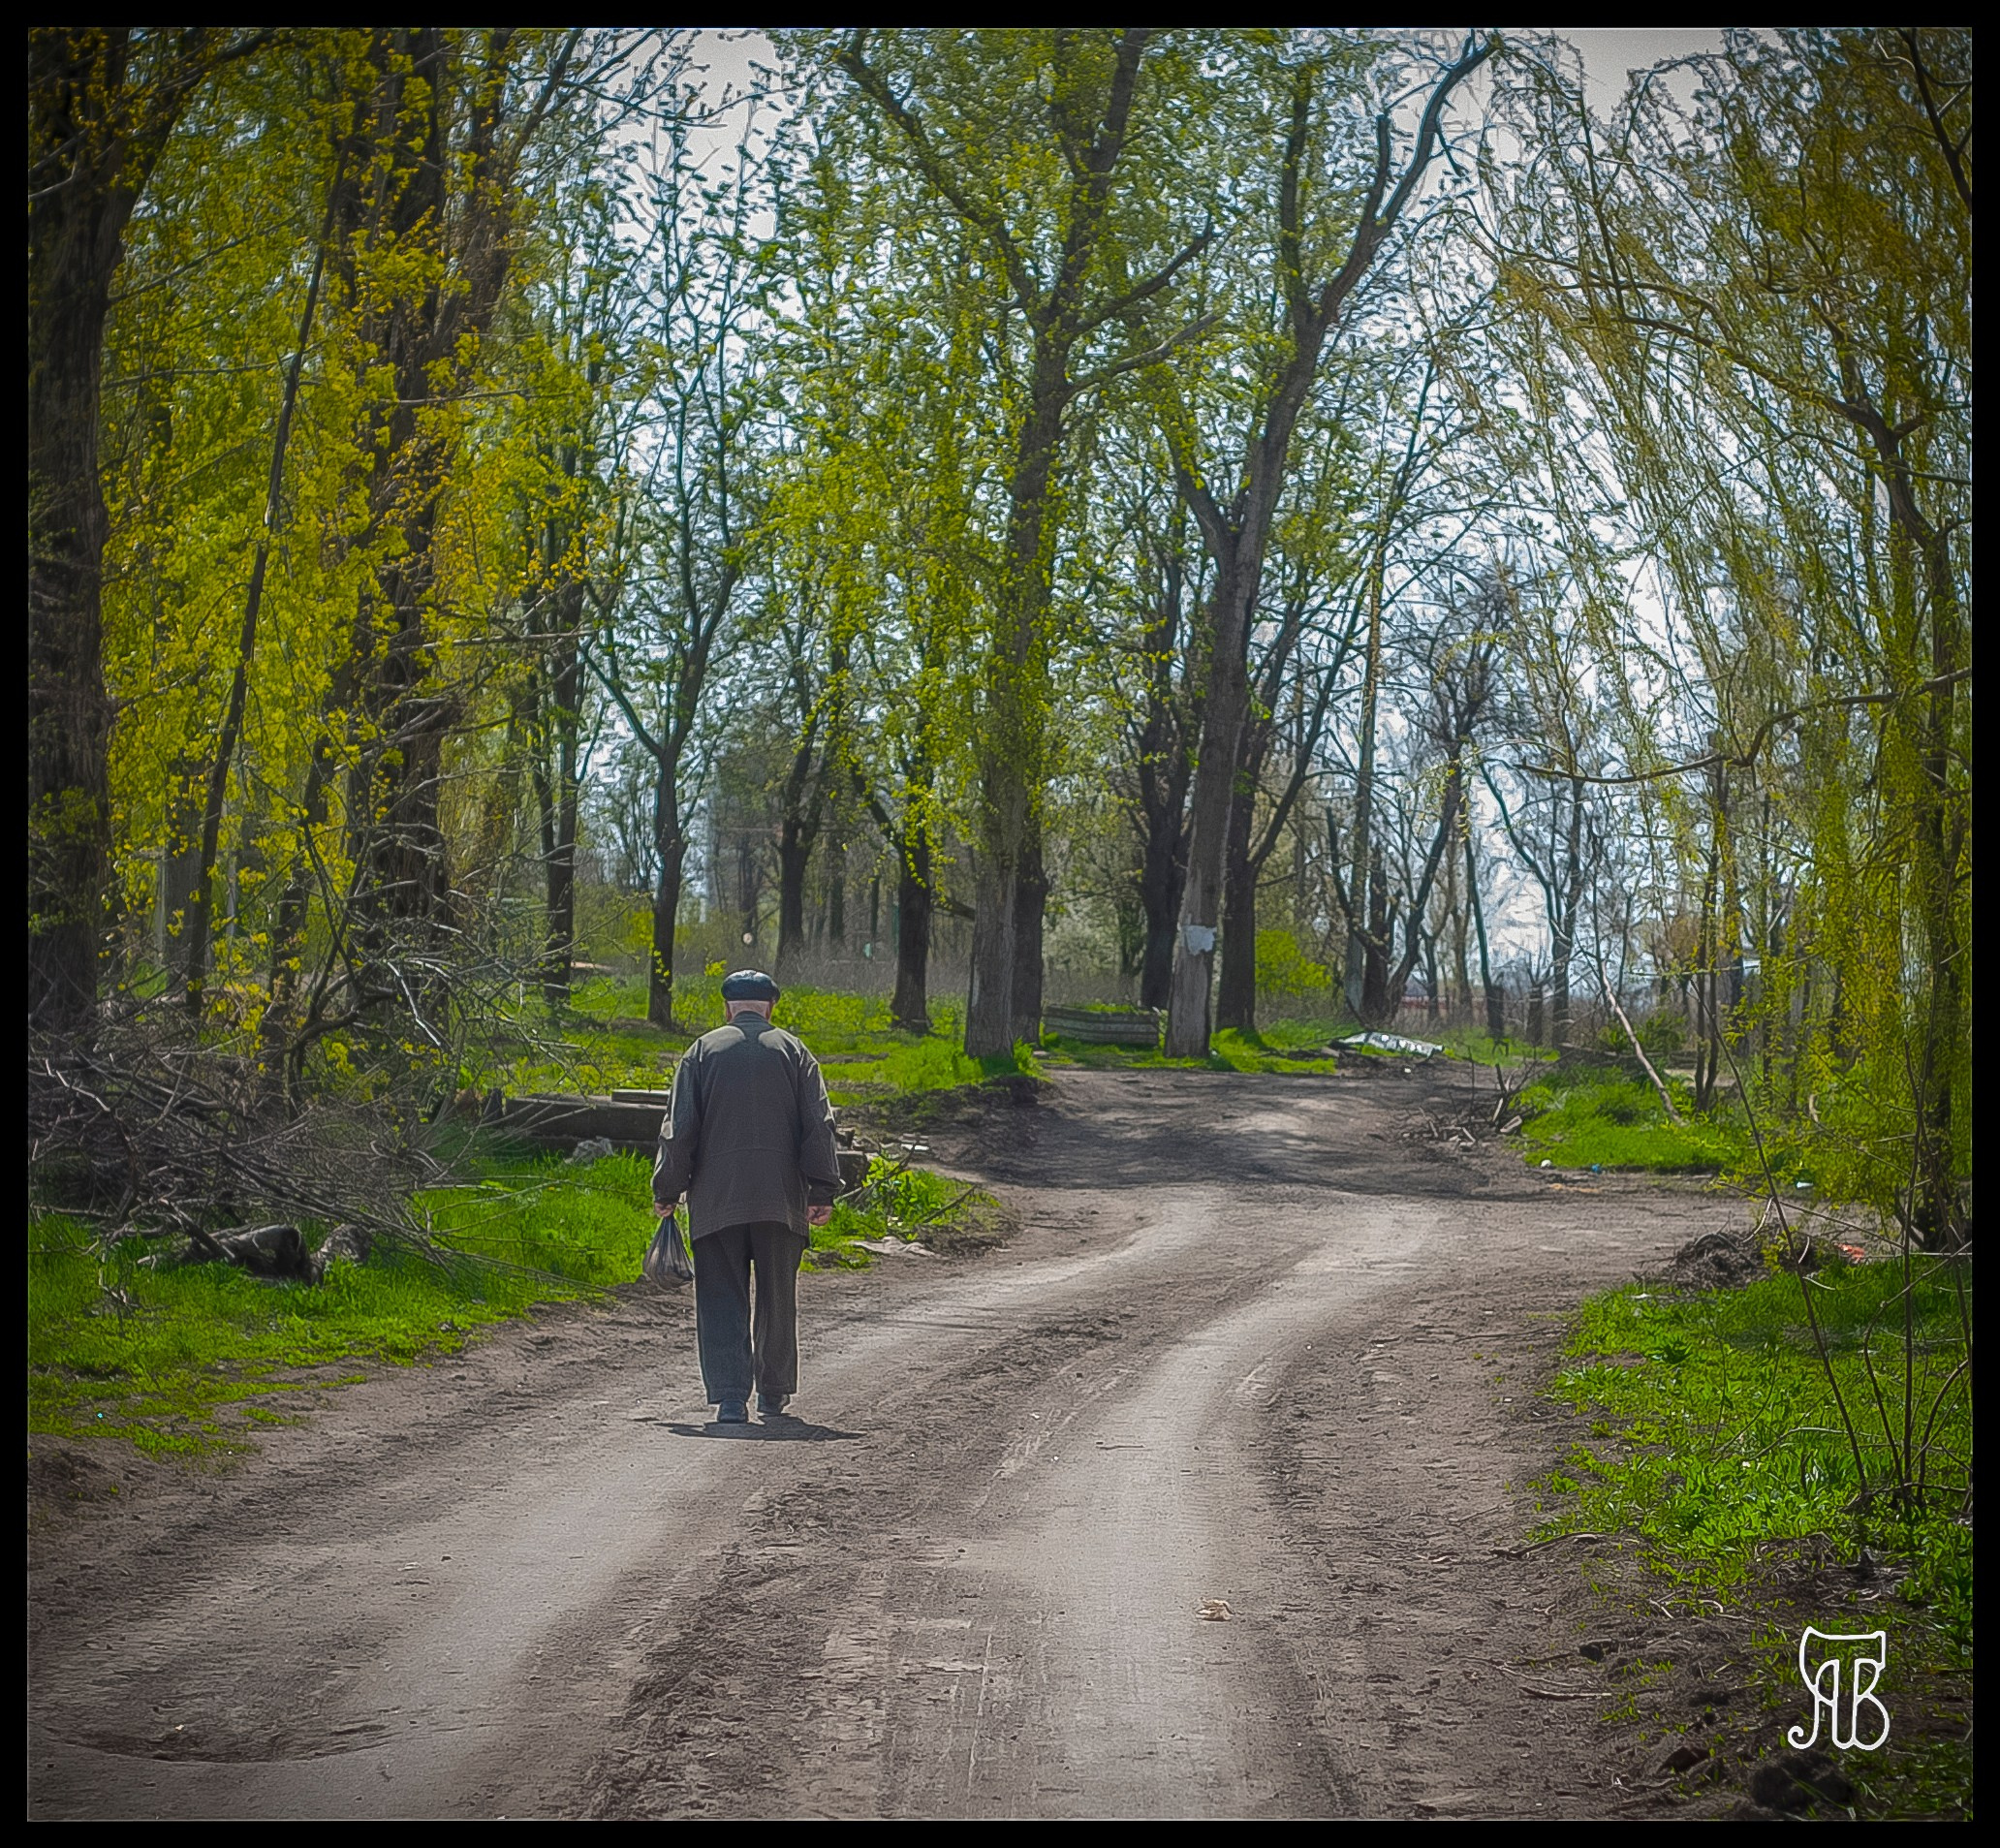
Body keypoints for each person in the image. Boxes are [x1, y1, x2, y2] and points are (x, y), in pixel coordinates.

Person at [652, 970, 841, 1425]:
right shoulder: (795, 1052)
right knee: (778, 1298)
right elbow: (819, 1125)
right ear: (770, 1007)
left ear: (727, 1008)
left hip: (717, 1200)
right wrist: (822, 1188)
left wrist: (667, 1188)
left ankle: (731, 1398)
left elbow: (679, 1131)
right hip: (781, 1201)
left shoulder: (701, 1052)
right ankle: (773, 1393)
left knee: (720, 1296)